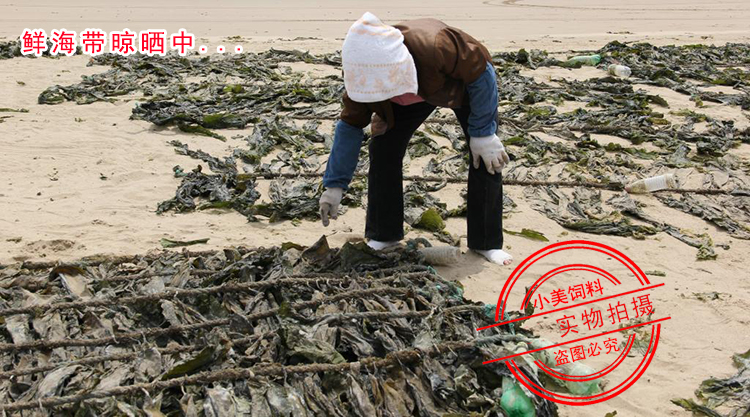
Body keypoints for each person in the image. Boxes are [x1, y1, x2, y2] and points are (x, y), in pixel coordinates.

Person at [318, 12, 512, 266]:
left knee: (486, 156)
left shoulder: (435, 45)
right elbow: (350, 126)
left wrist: (483, 133)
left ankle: (487, 243)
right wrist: (334, 185)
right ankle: (384, 235)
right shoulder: (361, 76)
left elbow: (481, 74)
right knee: (384, 148)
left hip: (458, 85)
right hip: (401, 101)